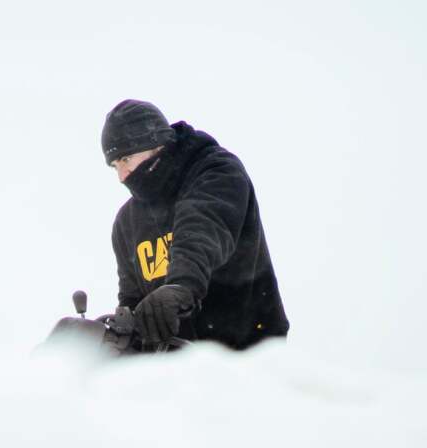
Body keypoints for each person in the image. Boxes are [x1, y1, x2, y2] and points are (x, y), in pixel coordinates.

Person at [101, 99, 289, 350]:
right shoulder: (128, 223)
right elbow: (133, 299)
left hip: (247, 359)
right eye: (115, 166)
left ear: (155, 144)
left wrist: (180, 286)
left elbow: (200, 233)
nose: (122, 176)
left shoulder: (215, 174)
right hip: (177, 373)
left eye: (126, 159)